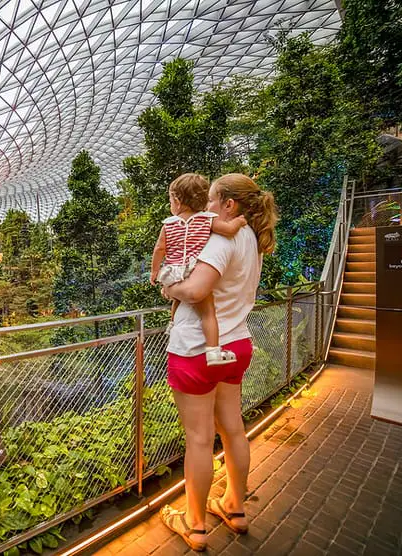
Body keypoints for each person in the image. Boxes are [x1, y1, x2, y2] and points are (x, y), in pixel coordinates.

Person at [157, 173, 278, 551]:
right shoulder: (252, 239)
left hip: (196, 351)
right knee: (233, 429)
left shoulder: (218, 241)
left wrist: (166, 286)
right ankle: (234, 507)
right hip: (235, 346)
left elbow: (194, 290)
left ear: (229, 204)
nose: (206, 208)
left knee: (197, 438)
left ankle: (194, 525)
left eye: (212, 200)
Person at [150, 173, 247, 366]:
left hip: (174, 271)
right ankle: (213, 350)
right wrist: (239, 222)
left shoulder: (168, 225)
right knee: (208, 313)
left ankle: (173, 325)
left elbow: (159, 248)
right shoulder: (207, 220)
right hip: (194, 269)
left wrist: (154, 272)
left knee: (178, 297)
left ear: (177, 201)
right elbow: (228, 230)